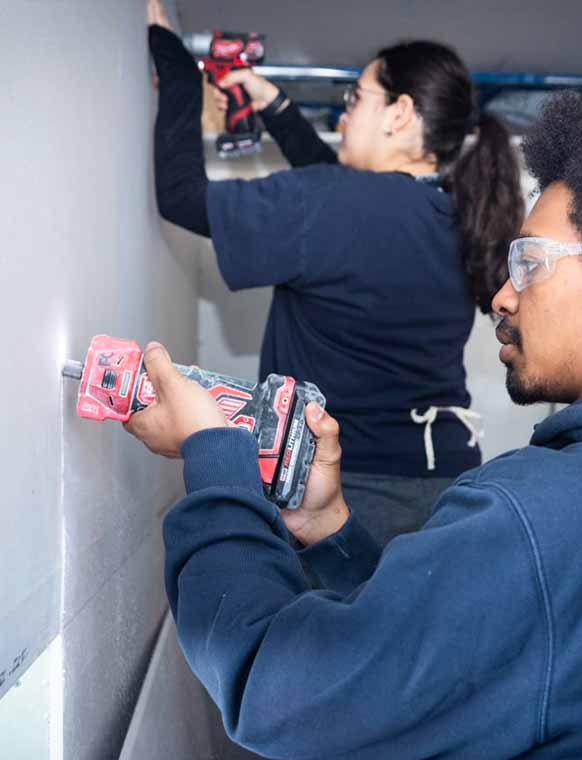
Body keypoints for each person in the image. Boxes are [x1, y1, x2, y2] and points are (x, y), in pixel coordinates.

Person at [128, 60, 582, 759]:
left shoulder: (549, 515)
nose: (501, 297)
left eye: (531, 263)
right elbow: (480, 645)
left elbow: (276, 687)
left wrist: (216, 462)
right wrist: (332, 529)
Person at [146, 0, 524, 547]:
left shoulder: (333, 204)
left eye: (356, 98)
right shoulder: (454, 212)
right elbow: (339, 208)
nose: (343, 115)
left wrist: (178, 68)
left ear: (398, 114)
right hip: (442, 487)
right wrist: (275, 105)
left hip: (341, 491)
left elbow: (183, 197)